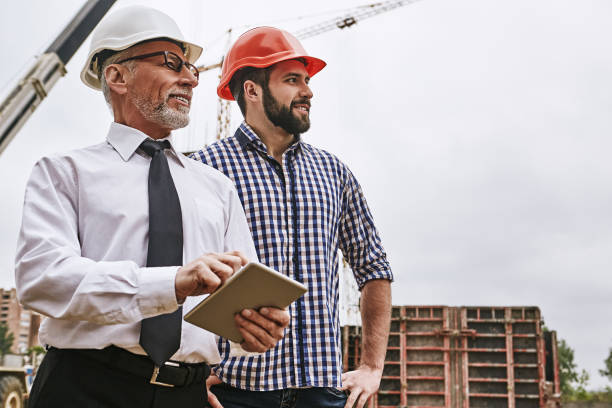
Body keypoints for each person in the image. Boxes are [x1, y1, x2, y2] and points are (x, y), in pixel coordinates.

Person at [15, 8, 289, 408]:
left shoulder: (218, 188)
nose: (189, 79)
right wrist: (172, 283)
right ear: (117, 76)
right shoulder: (64, 172)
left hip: (188, 395)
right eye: (171, 63)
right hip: (83, 388)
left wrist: (253, 330)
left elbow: (237, 301)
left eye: (192, 70)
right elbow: (42, 278)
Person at [192, 27, 394, 408]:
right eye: (292, 80)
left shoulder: (333, 173)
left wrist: (372, 366)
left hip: (322, 394)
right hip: (235, 395)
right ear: (251, 90)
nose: (308, 91)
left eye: (306, 80)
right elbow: (176, 277)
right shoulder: (203, 170)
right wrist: (187, 373)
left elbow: (374, 266)